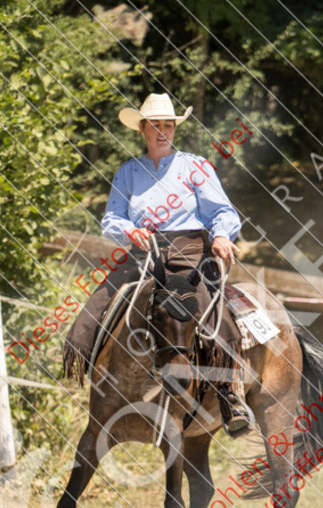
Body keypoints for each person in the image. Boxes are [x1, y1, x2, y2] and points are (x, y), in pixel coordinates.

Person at [63, 92, 252, 437]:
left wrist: (222, 235)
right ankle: (99, 378)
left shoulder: (195, 166)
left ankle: (229, 393)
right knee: (95, 309)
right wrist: (130, 230)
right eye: (155, 125)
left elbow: (222, 211)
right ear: (143, 130)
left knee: (213, 310)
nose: (163, 131)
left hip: (190, 252)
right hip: (144, 254)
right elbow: (112, 219)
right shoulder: (127, 172)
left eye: (169, 125)